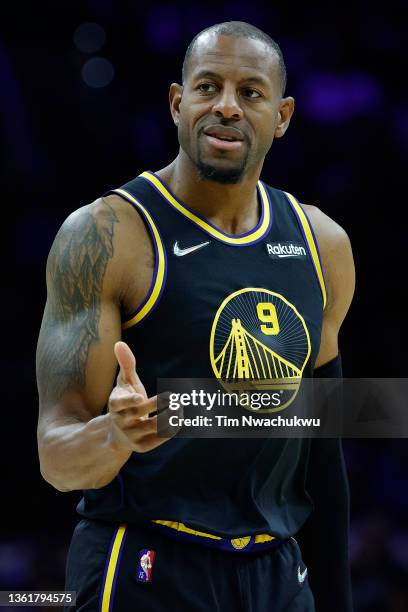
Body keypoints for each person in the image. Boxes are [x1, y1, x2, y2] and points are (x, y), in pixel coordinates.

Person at [36, 20, 355, 612]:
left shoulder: (322, 245)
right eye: (208, 87)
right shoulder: (108, 235)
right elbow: (55, 457)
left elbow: (323, 451)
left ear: (282, 117)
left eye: (251, 93)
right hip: (144, 560)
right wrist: (114, 433)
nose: (227, 107)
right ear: (178, 103)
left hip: (277, 569)